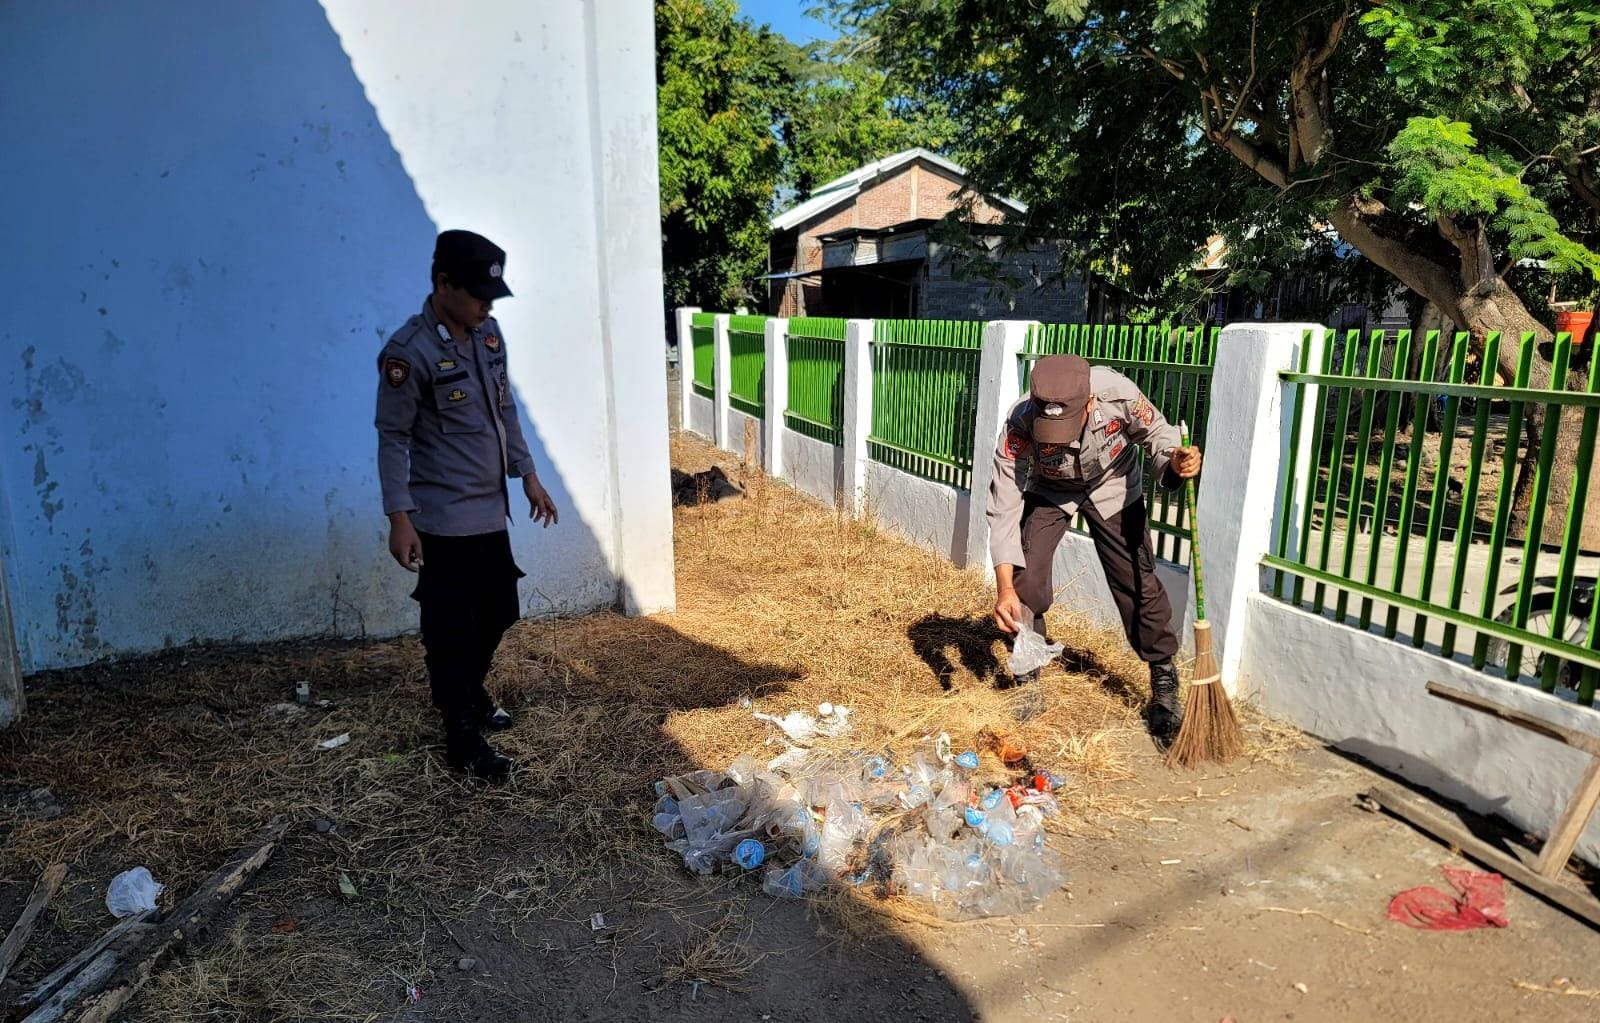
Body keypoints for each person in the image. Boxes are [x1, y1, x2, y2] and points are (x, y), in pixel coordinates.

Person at [374, 229, 558, 781]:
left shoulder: (489, 336)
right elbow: (393, 438)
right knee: (450, 627)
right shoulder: (409, 352)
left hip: (488, 510)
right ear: (443, 283)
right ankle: (460, 734)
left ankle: (470, 691)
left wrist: (528, 476)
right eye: (478, 295)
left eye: (491, 296)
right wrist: (399, 518)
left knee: (501, 610)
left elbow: (507, 410)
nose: (487, 306)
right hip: (441, 518)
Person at [985, 354, 1203, 743]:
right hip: (1051, 489)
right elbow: (1004, 506)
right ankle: (1027, 673)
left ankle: (1163, 677)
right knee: (1024, 578)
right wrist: (1003, 589)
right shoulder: (1020, 420)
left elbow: (1158, 434)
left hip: (1113, 483)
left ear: (1089, 402)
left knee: (1137, 580)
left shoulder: (1117, 393)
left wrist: (1176, 461)